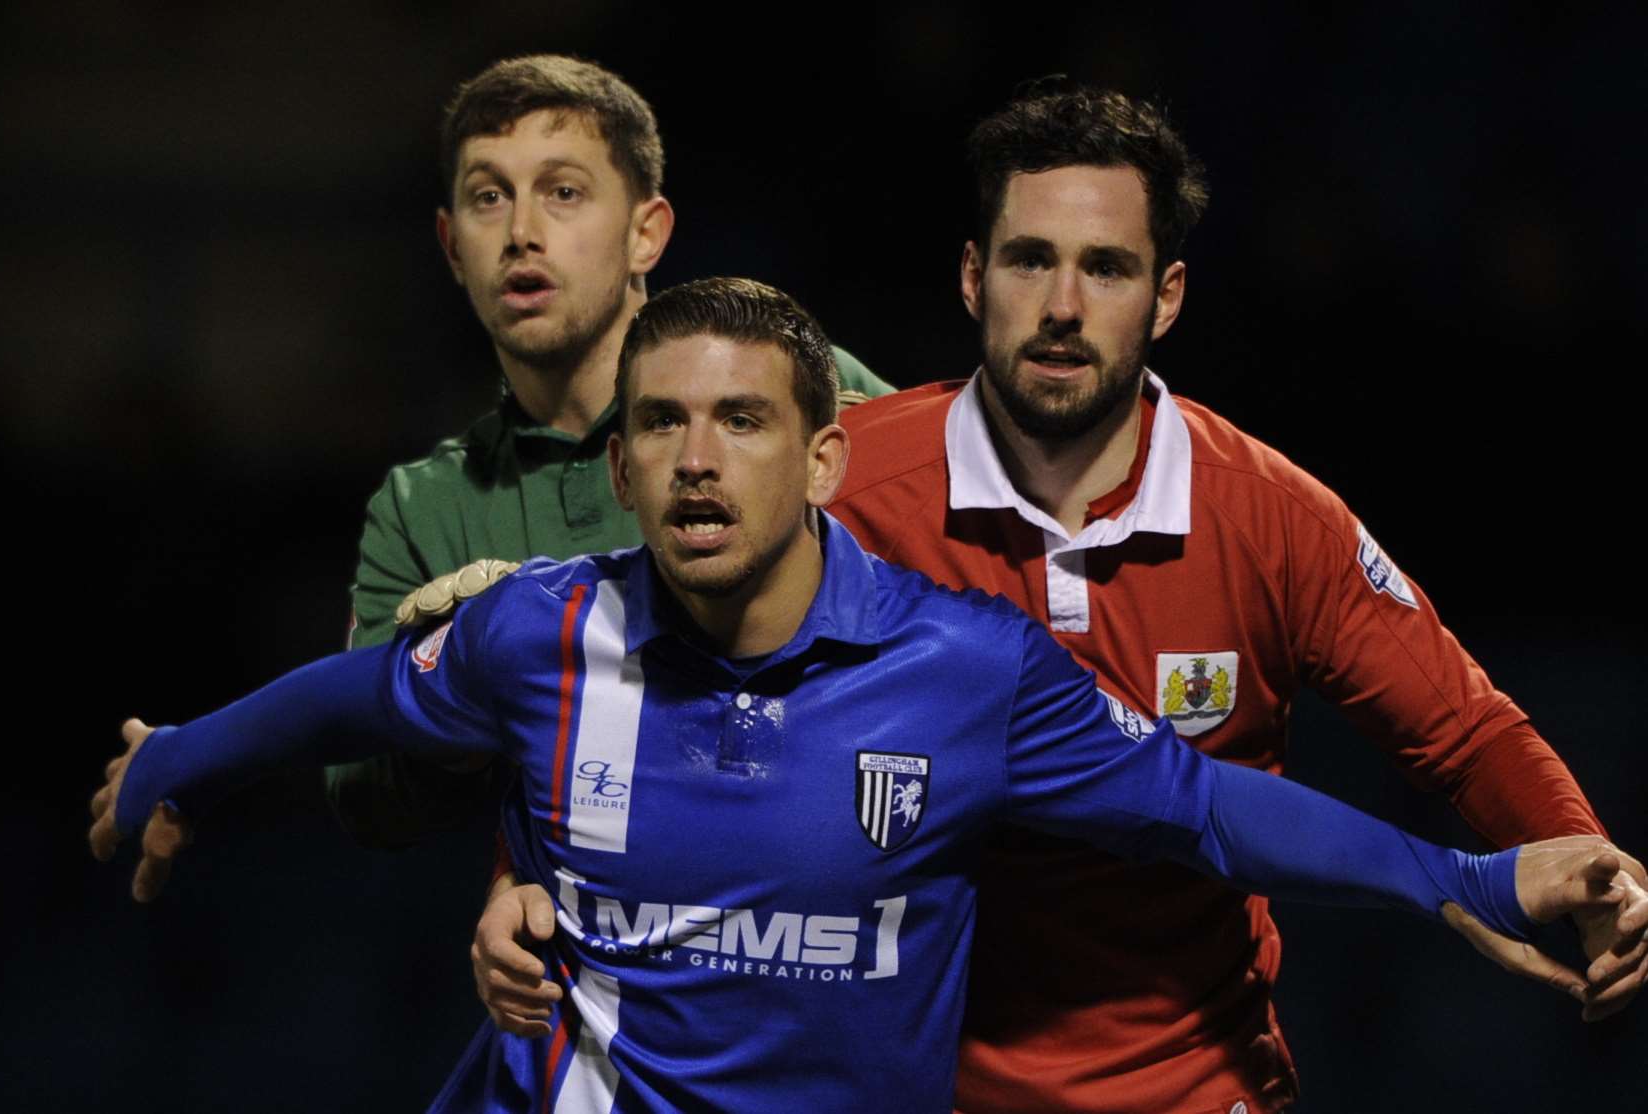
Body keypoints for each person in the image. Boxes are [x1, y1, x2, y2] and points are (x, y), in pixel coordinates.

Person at [90, 278, 1647, 1113]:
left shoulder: (969, 672)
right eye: (665, 426)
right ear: (621, 464)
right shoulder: (541, 637)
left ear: (825, 454)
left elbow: (1205, 806)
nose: (700, 459)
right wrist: (174, 766)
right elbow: (350, 699)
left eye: (745, 421)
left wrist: (1471, 869)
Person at [463, 83, 1648, 1111]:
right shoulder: (843, 479)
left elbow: (1461, 727)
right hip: (910, 1086)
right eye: (1030, 259)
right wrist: (517, 880)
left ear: (1165, 295)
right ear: (975, 276)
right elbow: (613, 658)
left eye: (1107, 267)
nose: (1063, 305)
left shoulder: (1269, 516)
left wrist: (1590, 861)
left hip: (1193, 1079)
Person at [327, 53, 892, 847]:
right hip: (590, 947)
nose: (522, 233)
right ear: (453, 247)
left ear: (645, 233)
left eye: (563, 192)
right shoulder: (421, 508)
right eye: (490, 198)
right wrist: (455, 685)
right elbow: (365, 800)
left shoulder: (816, 394)